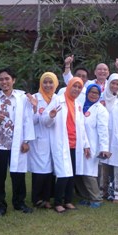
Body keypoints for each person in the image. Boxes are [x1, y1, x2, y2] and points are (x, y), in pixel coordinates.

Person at [0, 68, 35, 216]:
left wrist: (26, 141)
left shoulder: (22, 97)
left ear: (13, 80)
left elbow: (27, 119)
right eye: (1, 79)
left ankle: (19, 203)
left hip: (17, 143)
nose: (4, 82)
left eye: (7, 79)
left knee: (18, 175)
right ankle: (0, 206)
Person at [43, 77, 91, 214]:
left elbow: (81, 127)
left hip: (75, 144)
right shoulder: (58, 100)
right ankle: (58, 202)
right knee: (63, 174)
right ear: (69, 86)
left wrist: (86, 145)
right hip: (62, 143)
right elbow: (44, 120)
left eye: (79, 87)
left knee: (72, 174)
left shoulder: (78, 104)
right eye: (74, 86)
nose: (76, 89)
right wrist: (51, 116)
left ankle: (68, 201)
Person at [27, 72, 59, 209]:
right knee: (39, 170)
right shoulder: (35, 98)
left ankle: (47, 198)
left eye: (50, 82)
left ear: (55, 83)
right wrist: (35, 108)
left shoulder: (58, 99)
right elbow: (31, 121)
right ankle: (37, 198)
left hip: (54, 138)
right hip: (39, 138)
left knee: (50, 169)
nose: (47, 85)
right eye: (45, 82)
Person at [76, 84, 110, 208]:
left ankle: (96, 198)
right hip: (79, 144)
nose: (93, 95)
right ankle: (86, 197)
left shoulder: (100, 109)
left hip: (92, 145)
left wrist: (104, 148)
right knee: (79, 172)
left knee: (89, 173)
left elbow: (103, 131)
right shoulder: (81, 106)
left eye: (96, 93)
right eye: (91, 92)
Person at [100, 74, 118, 202]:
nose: (115, 86)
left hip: (117, 136)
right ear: (109, 83)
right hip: (103, 135)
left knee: (117, 164)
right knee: (103, 164)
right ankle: (103, 191)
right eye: (113, 83)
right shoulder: (102, 97)